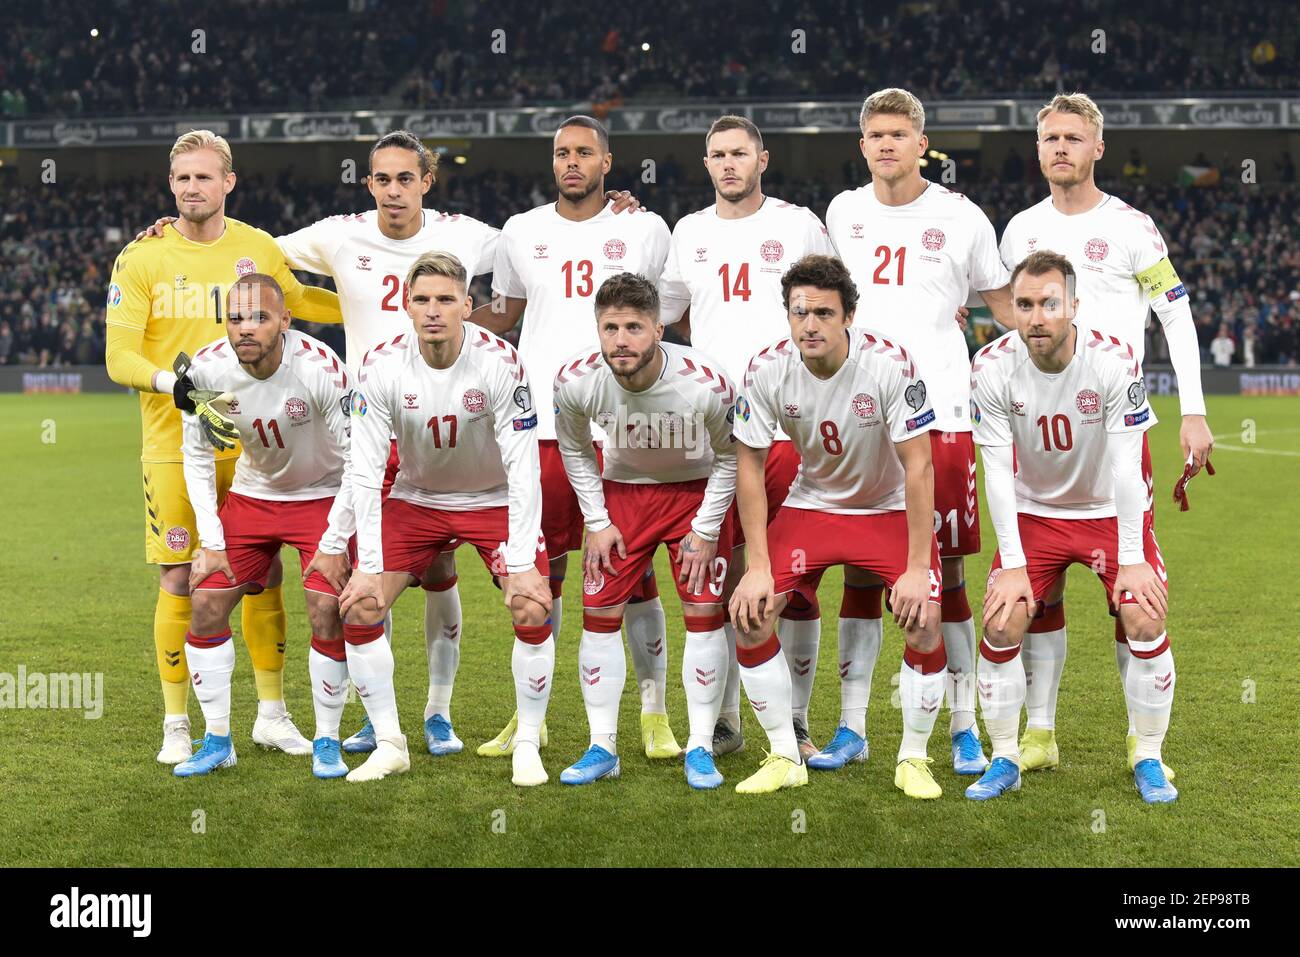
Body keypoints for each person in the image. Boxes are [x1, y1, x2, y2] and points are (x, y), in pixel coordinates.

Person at [105, 129, 342, 765]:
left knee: (261, 574)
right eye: (182, 178)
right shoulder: (142, 257)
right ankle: (177, 722)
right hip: (176, 439)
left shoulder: (257, 248)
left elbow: (301, 303)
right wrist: (171, 384)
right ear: (171, 184)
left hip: (259, 441)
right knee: (184, 575)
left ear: (228, 182)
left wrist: (373, 303)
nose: (191, 188)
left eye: (204, 177)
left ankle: (270, 713)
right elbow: (117, 354)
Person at [999, 93, 1211, 775]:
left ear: (1098, 148)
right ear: (1038, 151)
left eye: (1073, 137)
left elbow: (1175, 318)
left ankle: (1141, 743)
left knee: (1134, 597)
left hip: (1116, 427)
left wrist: (1197, 410)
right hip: (1038, 432)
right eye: (1050, 138)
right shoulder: (1019, 231)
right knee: (1039, 594)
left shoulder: (1133, 228)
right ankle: (1038, 734)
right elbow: (1012, 331)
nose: (1060, 147)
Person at [474, 115, 677, 760]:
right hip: (539, 426)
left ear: (607, 162)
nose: (571, 162)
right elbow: (504, 315)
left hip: (623, 430)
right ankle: (526, 714)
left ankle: (654, 713)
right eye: (562, 153)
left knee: (632, 573)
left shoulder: (642, 229)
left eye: (584, 152)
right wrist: (429, 313)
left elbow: (673, 313)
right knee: (542, 572)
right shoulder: (521, 232)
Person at [825, 88, 1012, 775]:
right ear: (862, 142)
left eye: (898, 133)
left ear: (921, 141)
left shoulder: (961, 218)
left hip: (941, 417)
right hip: (857, 417)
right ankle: (851, 727)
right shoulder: (842, 213)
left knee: (949, 575)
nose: (885, 144)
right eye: (874, 133)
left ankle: (963, 726)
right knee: (860, 568)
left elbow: (1005, 306)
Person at [729, 255, 946, 798]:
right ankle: (784, 752)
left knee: (924, 619)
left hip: (886, 508)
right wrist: (757, 566)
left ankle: (914, 758)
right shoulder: (766, 367)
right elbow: (749, 463)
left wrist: (918, 568)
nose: (810, 324)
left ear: (849, 315)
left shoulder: (889, 364)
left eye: (824, 313)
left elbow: (919, 465)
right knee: (751, 615)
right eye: (799, 312)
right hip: (813, 505)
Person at [967, 250, 1176, 804]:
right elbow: (994, 470)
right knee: (1002, 620)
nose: (1036, 318)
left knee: (1141, 611)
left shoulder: (1114, 361)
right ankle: (1013, 751)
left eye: (1049, 304)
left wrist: (1132, 556)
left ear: (1074, 306)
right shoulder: (989, 367)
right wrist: (1011, 565)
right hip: (1036, 513)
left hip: (1106, 511)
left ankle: (1147, 752)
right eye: (1025, 305)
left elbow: (1130, 466)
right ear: (1010, 309)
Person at [338, 252, 554, 786]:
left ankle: (528, 740)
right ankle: (390, 742)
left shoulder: (502, 362)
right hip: (418, 499)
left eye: (445, 300)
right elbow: (364, 471)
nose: (433, 311)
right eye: (422, 300)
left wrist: (523, 561)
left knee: (530, 604)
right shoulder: (380, 364)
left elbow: (524, 466)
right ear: (406, 305)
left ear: (467, 305)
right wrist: (366, 564)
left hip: (493, 499)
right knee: (361, 604)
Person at [657, 114, 835, 761]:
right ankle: (727, 721)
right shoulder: (689, 232)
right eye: (717, 154)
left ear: (764, 158)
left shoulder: (799, 225)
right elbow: (661, 309)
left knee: (792, 581)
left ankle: (797, 721)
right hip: (711, 438)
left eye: (740, 152)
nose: (728, 163)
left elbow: (837, 305)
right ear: (706, 164)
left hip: (788, 428)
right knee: (721, 574)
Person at [554, 273, 737, 789]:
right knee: (599, 615)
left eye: (634, 326)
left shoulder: (706, 381)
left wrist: (704, 528)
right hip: (623, 497)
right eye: (610, 327)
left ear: (659, 328)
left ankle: (700, 746)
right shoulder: (575, 380)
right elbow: (573, 449)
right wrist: (597, 520)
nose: (621, 339)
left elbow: (730, 457)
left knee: (703, 615)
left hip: (694, 493)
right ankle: (601, 747)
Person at [177, 274, 356, 779]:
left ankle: (326, 739)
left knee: (327, 608)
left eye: (259, 317)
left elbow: (358, 458)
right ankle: (216, 740)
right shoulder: (209, 370)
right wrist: (210, 542)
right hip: (254, 496)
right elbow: (197, 454)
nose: (245, 329)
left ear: (285, 321)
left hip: (323, 494)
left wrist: (336, 540)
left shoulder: (320, 369)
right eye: (235, 318)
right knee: (207, 600)